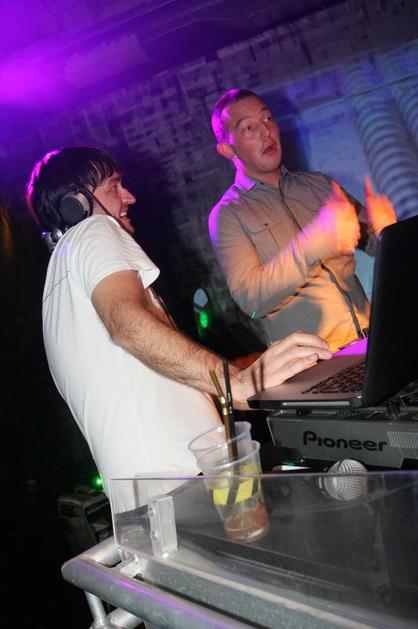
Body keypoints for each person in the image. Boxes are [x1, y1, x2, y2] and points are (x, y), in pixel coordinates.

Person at [26, 146, 331, 505]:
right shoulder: (95, 229)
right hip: (182, 483)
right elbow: (126, 324)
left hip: (157, 494)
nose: (129, 197)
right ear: (76, 205)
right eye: (113, 186)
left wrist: (245, 369)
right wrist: (236, 384)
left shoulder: (59, 276)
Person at [209, 89, 397, 353]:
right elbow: (250, 299)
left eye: (268, 119)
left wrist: (386, 232)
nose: (266, 132)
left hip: (372, 341)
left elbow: (380, 248)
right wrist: (314, 243)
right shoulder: (228, 214)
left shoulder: (320, 185)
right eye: (249, 127)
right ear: (228, 149)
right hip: (317, 361)